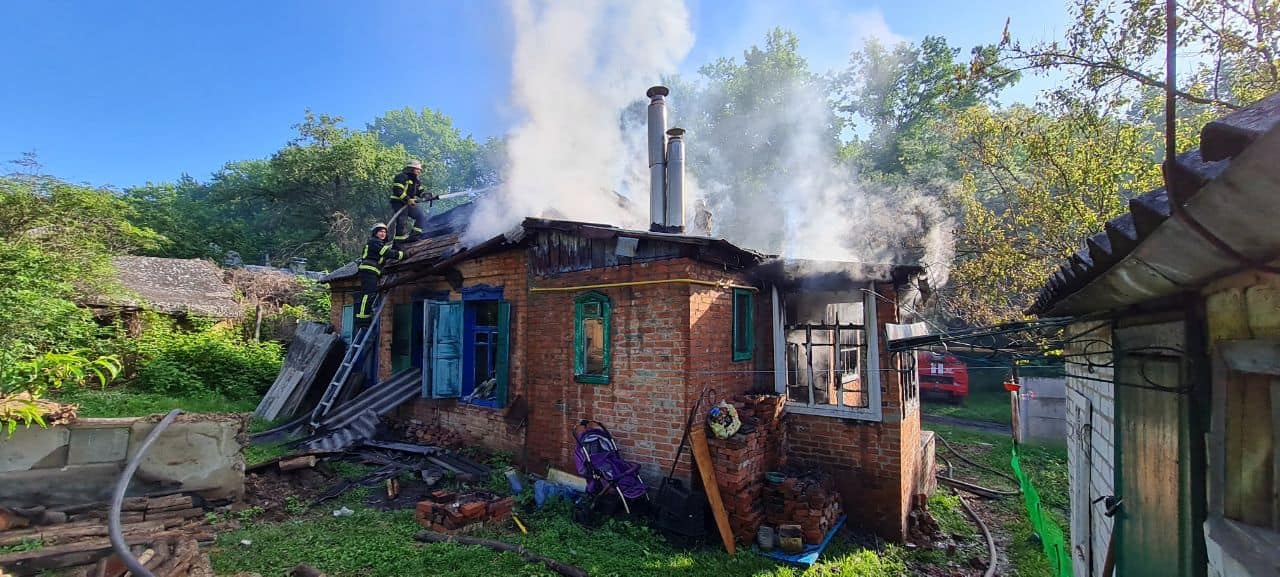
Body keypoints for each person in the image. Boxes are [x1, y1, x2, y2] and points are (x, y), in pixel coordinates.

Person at [355, 223, 404, 327]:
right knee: (369, 294)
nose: (383, 233)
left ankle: (364, 316)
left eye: (385, 232)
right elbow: (387, 253)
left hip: (372, 271)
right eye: (380, 231)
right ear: (375, 233)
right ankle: (362, 319)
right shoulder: (374, 242)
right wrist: (402, 255)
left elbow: (384, 256)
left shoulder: (378, 243)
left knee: (370, 294)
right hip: (369, 270)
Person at [390, 159, 437, 243]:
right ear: (411, 169)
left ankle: (414, 236)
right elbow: (398, 190)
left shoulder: (416, 181)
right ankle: (399, 241)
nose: (419, 171)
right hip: (399, 202)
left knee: (421, 216)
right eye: (417, 169)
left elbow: (420, 192)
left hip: (409, 203)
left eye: (419, 170)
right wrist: (407, 199)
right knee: (402, 220)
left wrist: (427, 195)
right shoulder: (401, 177)